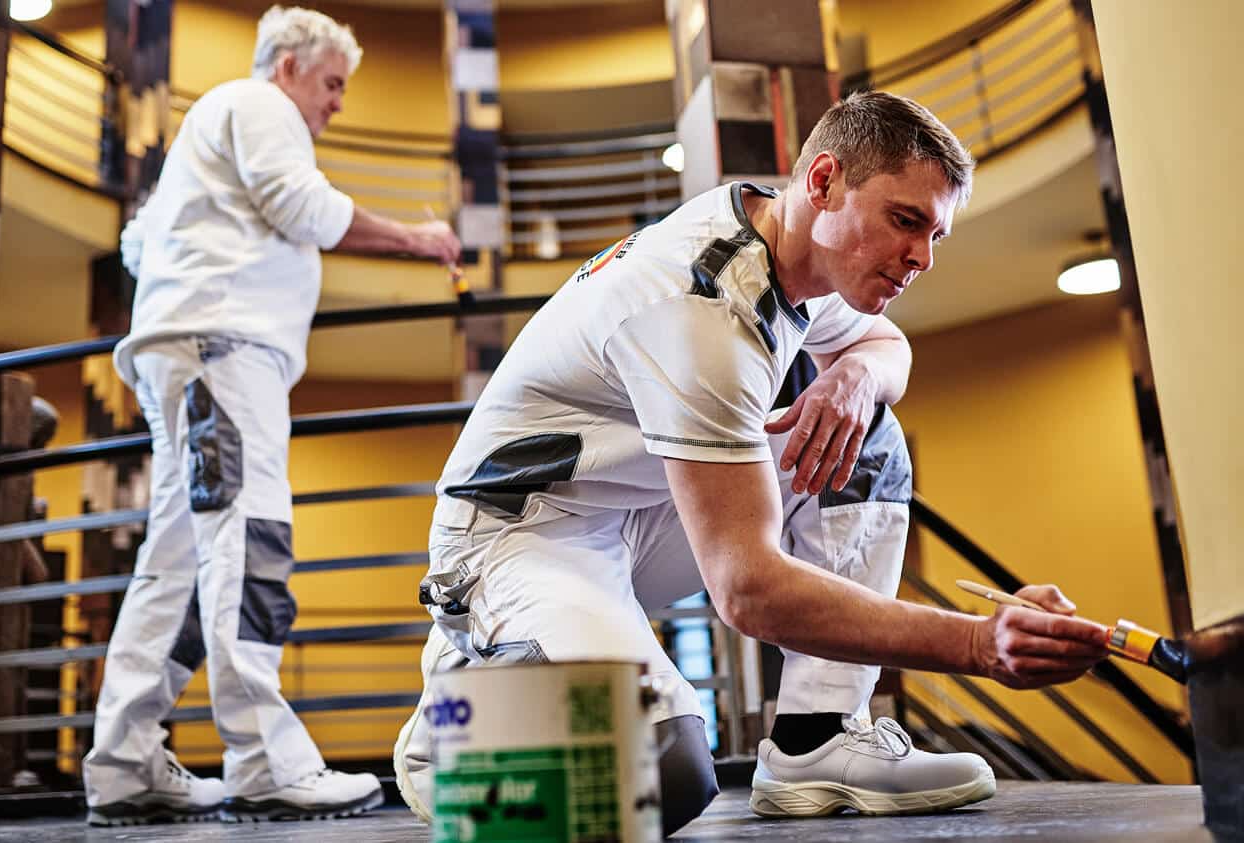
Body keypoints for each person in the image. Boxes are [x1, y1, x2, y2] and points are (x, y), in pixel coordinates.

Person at [392, 91, 1109, 835]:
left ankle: (817, 739)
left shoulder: (793, 242)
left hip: (637, 508)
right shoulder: (702, 308)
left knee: (865, 430)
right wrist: (977, 643)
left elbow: (883, 345)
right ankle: (455, 730)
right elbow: (749, 592)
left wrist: (854, 377)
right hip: (518, 534)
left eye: (935, 234)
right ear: (824, 181)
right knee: (660, 772)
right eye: (905, 221)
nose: (922, 257)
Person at [82, 5, 461, 827]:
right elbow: (303, 208)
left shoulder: (211, 126)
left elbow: (138, 245)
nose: (338, 103)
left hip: (188, 349)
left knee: (176, 563)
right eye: (333, 83)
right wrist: (417, 238)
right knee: (247, 538)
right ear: (288, 66)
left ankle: (123, 762)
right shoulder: (259, 105)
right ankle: (263, 760)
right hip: (224, 350)